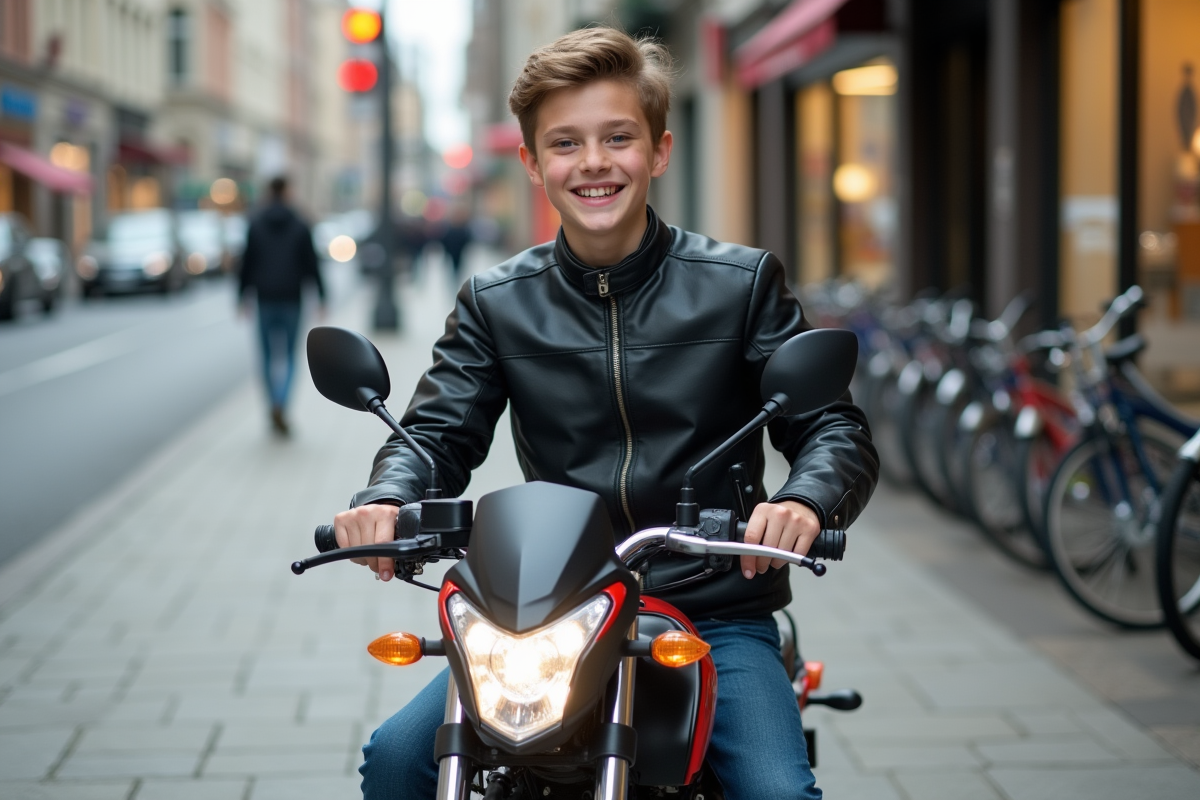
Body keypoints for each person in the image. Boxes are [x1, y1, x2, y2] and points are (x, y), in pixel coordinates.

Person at [335, 27, 877, 799]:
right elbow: (433, 432)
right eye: (565, 143)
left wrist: (802, 499)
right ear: (531, 164)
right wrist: (387, 497)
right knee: (396, 760)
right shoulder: (495, 302)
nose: (593, 162)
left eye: (617, 137)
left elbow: (832, 427)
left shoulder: (741, 283)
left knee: (776, 792)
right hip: (547, 610)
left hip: (714, 606)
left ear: (657, 150)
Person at [238, 176, 325, 436]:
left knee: (266, 357)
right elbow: (312, 263)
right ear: (286, 192)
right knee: (288, 356)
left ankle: (272, 403)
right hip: (291, 298)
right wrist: (322, 295)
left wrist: (241, 296)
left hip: (264, 298)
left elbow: (247, 263)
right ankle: (281, 401)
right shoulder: (300, 223)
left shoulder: (255, 222)